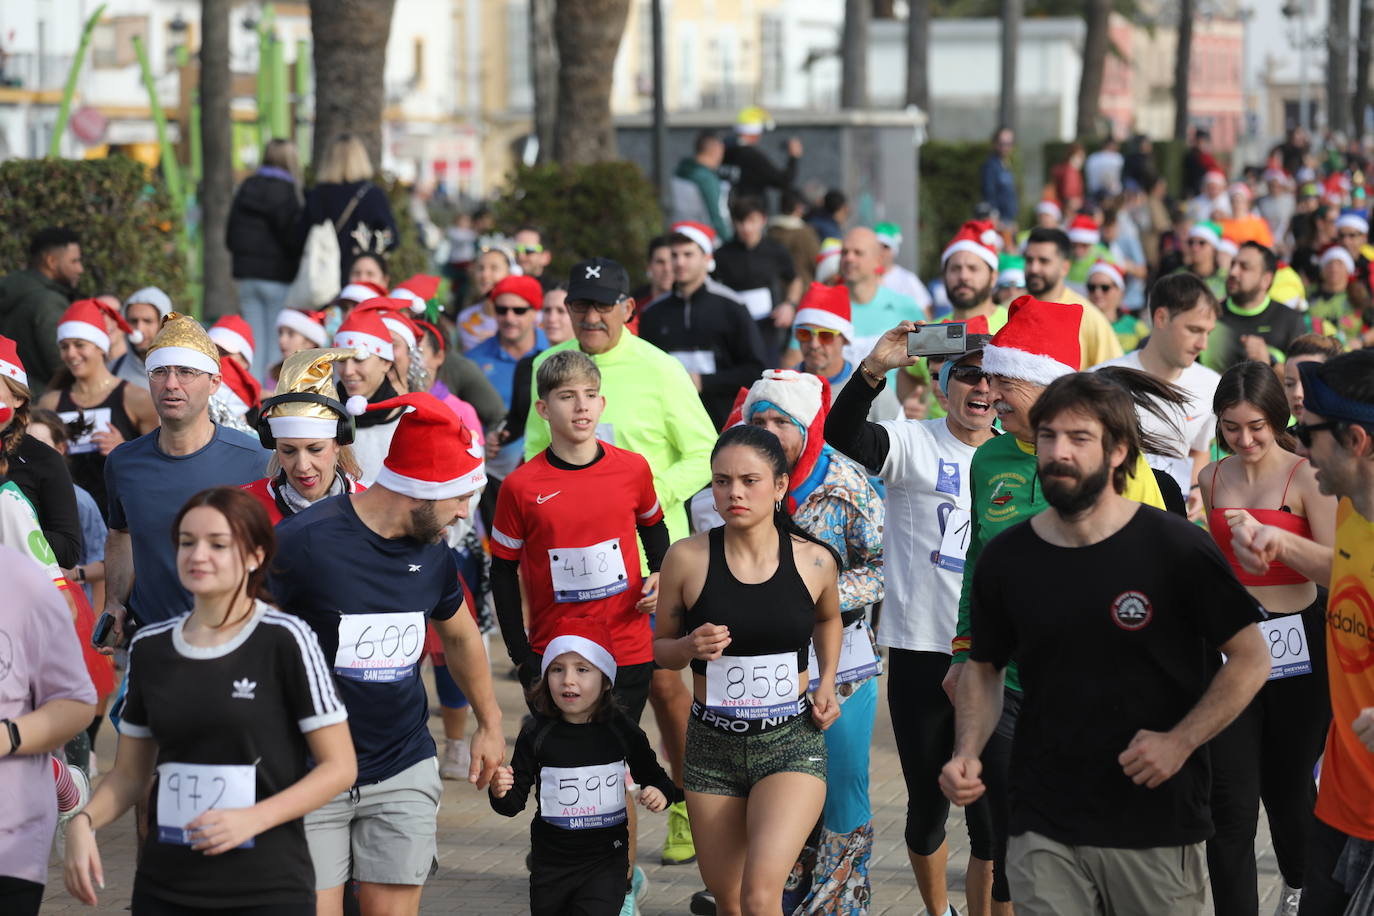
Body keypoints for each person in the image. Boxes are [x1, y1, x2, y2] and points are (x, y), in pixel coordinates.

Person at [940, 370, 1270, 916]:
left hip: (1153, 821)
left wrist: (1181, 742)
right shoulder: (1008, 558)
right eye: (1048, 437)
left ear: (1118, 452)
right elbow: (984, 667)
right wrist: (967, 751)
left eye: (1079, 438)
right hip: (1043, 819)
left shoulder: (1176, 548)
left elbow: (1252, 657)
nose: (1058, 452)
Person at [945, 296, 1171, 909]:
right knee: (1015, 848)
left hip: (1097, 690)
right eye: (986, 378)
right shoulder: (988, 458)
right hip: (1007, 685)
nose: (988, 392)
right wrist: (964, 653)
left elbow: (1162, 568)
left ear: (1046, 385)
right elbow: (978, 563)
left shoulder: (1115, 459)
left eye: (1003, 380)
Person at [65, 487, 354, 913]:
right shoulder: (150, 647)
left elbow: (340, 767)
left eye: (217, 544)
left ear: (255, 555)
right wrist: (83, 822)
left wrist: (254, 817)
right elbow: (130, 775)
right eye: (187, 542)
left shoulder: (286, 639)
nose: (198, 555)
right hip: (166, 886)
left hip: (266, 887)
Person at [271, 391, 503, 916]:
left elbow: (461, 636)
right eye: (458, 498)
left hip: (402, 767)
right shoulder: (302, 542)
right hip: (309, 771)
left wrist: (490, 723)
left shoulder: (434, 552)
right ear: (419, 491)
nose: (464, 513)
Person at [525, 257, 717, 868]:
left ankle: (682, 801)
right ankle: (596, 844)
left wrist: (643, 494)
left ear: (628, 309)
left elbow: (704, 449)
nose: (591, 316)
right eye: (580, 305)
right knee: (586, 700)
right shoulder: (548, 365)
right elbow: (533, 456)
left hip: (649, 563)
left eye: (603, 305)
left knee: (663, 686)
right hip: (574, 570)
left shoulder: (660, 369)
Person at [825, 316, 1002, 916]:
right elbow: (842, 433)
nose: (981, 387)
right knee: (928, 811)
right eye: (967, 374)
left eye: (991, 376)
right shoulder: (912, 442)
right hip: (923, 649)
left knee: (991, 820)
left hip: (992, 655)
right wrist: (874, 368)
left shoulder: (1017, 454)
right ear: (943, 383)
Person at [492, 350, 669, 910]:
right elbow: (501, 572)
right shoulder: (521, 485)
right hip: (555, 658)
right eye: (567, 397)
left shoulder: (632, 468)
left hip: (625, 647)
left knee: (616, 767)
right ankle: (563, 872)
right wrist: (521, 653)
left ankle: (619, 889)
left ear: (603, 402)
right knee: (564, 770)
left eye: (590, 395)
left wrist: (660, 575)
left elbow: (656, 529)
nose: (581, 406)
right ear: (544, 409)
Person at [653, 423, 842, 916]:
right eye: (721, 481)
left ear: (779, 486)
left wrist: (827, 682)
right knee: (731, 902)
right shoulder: (686, 559)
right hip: (711, 746)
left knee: (760, 896)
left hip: (791, 742)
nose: (734, 492)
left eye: (748, 480)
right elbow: (661, 651)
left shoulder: (815, 561)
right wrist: (689, 645)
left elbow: (828, 619)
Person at [1228, 352, 1374, 913]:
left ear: (1355, 440)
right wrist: (1284, 544)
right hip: (1340, 799)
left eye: (1310, 433)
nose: (1300, 446)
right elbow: (1351, 573)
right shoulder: (1354, 511)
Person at [739, 370, 884, 914]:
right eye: (759, 420)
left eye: (782, 422)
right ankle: (780, 895)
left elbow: (885, 565)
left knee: (843, 786)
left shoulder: (845, 481)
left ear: (807, 427)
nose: (769, 431)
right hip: (764, 663)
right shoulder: (739, 480)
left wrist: (819, 594)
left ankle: (840, 903)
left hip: (842, 661)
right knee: (776, 789)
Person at [1197, 361, 1337, 916]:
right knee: (1229, 800)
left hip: (1298, 642)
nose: (1245, 439)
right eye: (1231, 427)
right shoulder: (1211, 477)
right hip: (1234, 648)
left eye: (1256, 426)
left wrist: (1279, 544)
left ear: (1277, 419)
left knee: (1288, 789)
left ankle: (1301, 892)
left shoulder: (1306, 475)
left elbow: (1336, 566)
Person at [490, 615, 678, 916]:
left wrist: (660, 793)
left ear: (605, 680)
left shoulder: (621, 730)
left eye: (582, 669)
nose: (568, 679)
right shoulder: (536, 734)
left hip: (606, 862)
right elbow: (512, 804)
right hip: (551, 866)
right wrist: (499, 789)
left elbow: (658, 779)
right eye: (557, 669)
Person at [103, 313, 267, 642]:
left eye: (186, 372)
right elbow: (121, 533)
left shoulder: (256, 460)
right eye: (159, 372)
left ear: (214, 383)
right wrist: (114, 602)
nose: (171, 384)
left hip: (232, 640)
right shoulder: (123, 462)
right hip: (152, 638)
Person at [0, 544, 97, 916]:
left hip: (9, 842)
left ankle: (62, 782)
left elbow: (75, 702)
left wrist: (8, 736)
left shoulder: (23, 581)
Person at [1094, 273, 1222, 519]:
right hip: (1112, 517)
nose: (1203, 344)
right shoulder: (1099, 380)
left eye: (1208, 332)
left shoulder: (1211, 384)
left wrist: (1195, 487)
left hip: (1174, 519)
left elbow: (1198, 449)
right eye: (1194, 330)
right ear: (1161, 318)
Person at [36, 299, 158, 523]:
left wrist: (124, 450)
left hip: (122, 519)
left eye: (79, 344)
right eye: (64, 347)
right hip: (67, 519)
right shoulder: (50, 403)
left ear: (101, 346)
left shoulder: (137, 398)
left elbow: (160, 463)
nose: (71, 354)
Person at [639, 222, 770, 428]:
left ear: (706, 258)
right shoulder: (652, 313)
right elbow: (644, 370)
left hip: (724, 425)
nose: (679, 262)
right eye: (674, 255)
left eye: (688, 254)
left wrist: (704, 381)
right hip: (668, 423)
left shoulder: (731, 306)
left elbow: (756, 369)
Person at [243, 348, 366, 525]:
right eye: (288, 451)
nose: (302, 466)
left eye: (315, 449)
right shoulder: (244, 507)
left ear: (339, 441)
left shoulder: (370, 508)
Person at [0, 335, 84, 569]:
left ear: (17, 397)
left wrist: (15, 528)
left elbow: (69, 550)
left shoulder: (43, 458)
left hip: (18, 585)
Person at [468, 274, 547, 515]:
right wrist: (483, 439)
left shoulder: (556, 352)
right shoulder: (475, 360)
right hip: (493, 479)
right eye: (502, 310)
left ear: (535, 312)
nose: (509, 318)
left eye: (519, 310)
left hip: (548, 474)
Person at [227, 138, 305, 380]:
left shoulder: (247, 187)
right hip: (278, 277)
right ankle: (270, 393)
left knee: (253, 342)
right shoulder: (289, 192)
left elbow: (230, 235)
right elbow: (293, 238)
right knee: (277, 342)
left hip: (247, 277)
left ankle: (252, 390)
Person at [791, 282, 901, 421]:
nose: (814, 344)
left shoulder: (872, 390)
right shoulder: (782, 385)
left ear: (845, 339)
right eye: (804, 334)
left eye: (826, 335)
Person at [298, 133, 397, 284]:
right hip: (358, 276)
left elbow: (301, 236)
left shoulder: (318, 194)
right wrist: (369, 249)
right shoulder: (371, 194)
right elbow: (390, 237)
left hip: (321, 277)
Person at [713, 196, 802, 358]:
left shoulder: (776, 250)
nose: (746, 228)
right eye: (740, 222)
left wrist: (789, 305)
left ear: (763, 220)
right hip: (732, 328)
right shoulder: (721, 254)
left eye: (752, 221)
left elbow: (794, 280)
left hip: (768, 328)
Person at [1022, 227, 1124, 368]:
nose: (1034, 268)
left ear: (1064, 267)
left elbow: (1114, 372)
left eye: (1043, 261)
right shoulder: (1011, 308)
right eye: (1029, 260)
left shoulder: (1088, 317)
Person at [0, 227, 82, 396]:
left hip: (11, 397)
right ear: (51, 261)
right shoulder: (48, 302)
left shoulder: (10, 291)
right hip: (40, 401)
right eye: (74, 261)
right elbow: (63, 364)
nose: (80, 269)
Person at [331, 305, 407, 482]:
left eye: (359, 360)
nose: (348, 371)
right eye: (341, 360)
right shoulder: (321, 415)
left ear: (386, 363)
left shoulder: (410, 421)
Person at [1208, 241, 1308, 371]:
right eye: (1232, 264)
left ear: (1266, 279)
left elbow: (1301, 377)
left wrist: (1269, 362)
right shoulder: (1211, 315)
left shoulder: (1291, 321)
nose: (1233, 272)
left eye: (1244, 267)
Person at [723, 106, 801, 204]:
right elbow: (783, 181)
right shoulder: (752, 156)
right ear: (755, 132)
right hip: (750, 209)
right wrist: (793, 157)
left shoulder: (725, 152)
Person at [111, 287, 174, 390]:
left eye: (147, 321)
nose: (139, 329)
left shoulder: (183, 371)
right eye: (133, 321)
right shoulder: (113, 369)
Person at [674, 131, 732, 241]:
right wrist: (729, 241)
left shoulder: (680, 170)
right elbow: (716, 214)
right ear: (716, 149)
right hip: (702, 237)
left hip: (680, 231)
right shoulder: (706, 179)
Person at [1084, 261, 1149, 353]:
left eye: (1105, 287)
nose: (1097, 293)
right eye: (1092, 287)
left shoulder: (1136, 327)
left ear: (1120, 291)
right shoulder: (1079, 326)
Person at [1283, 334, 1344, 423]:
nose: (1297, 394)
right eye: (1289, 384)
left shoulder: (1354, 430)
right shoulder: (1282, 430)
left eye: (1308, 382)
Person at [875, 221, 933, 315]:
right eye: (876, 246)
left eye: (885, 247)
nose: (880, 250)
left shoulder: (908, 279)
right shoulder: (863, 277)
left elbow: (925, 312)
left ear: (894, 251)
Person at [768, 190, 820, 286]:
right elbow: (816, 262)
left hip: (775, 287)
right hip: (802, 286)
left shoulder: (769, 231)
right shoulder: (804, 233)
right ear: (798, 207)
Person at [980, 128, 1019, 229]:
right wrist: (994, 217)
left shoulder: (1007, 164)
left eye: (1009, 144)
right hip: (999, 221)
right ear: (995, 144)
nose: (1005, 147)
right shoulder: (991, 166)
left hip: (1009, 219)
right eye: (1002, 143)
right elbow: (989, 193)